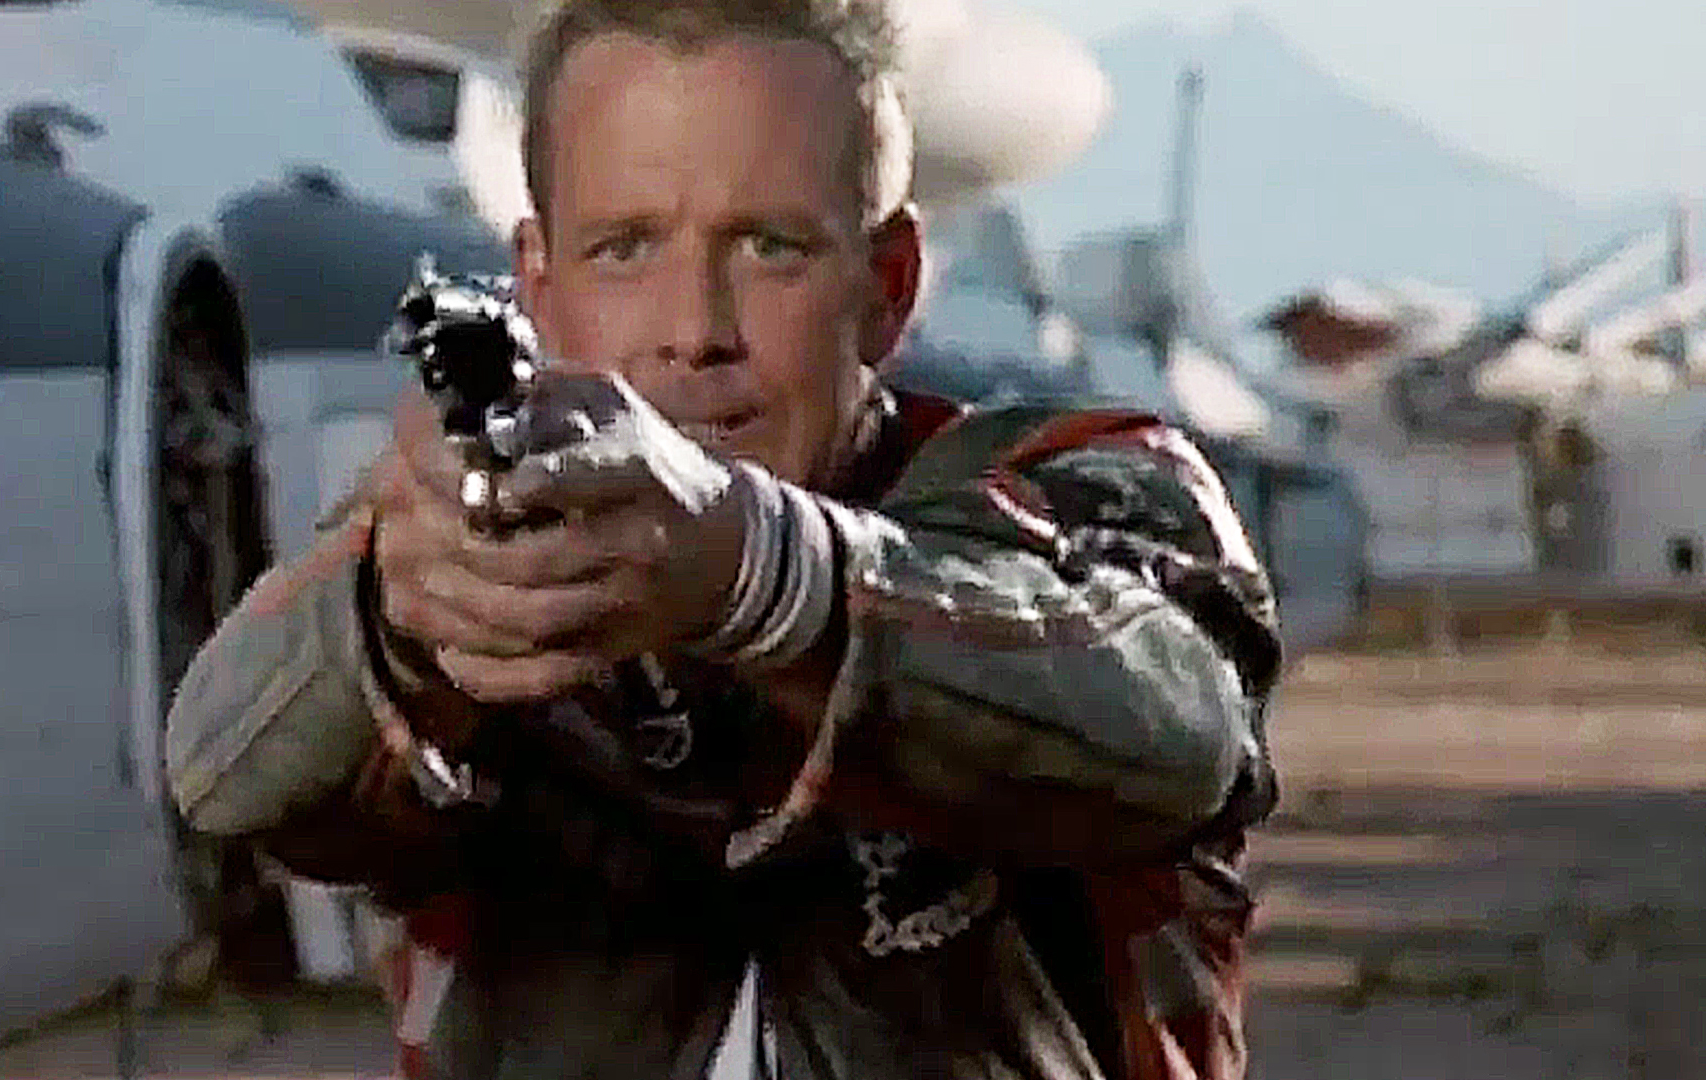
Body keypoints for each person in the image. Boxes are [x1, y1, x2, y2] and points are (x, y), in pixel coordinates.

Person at [163, 0, 1282, 1076]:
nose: (694, 331)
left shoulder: (1088, 494)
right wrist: (400, 619)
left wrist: (761, 576)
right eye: (625, 249)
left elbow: (1171, 732)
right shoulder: (472, 538)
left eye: (770, 248)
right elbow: (228, 776)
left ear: (888, 288)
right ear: (538, 288)